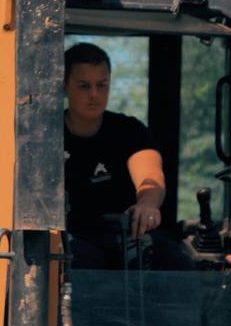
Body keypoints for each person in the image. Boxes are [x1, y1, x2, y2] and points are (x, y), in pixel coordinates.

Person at [63, 42, 165, 266]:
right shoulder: (47, 137)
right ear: (64, 86)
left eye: (102, 85)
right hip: (72, 243)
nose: (94, 94)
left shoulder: (129, 130)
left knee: (174, 259)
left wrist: (148, 204)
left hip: (126, 238)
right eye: (83, 86)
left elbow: (151, 177)